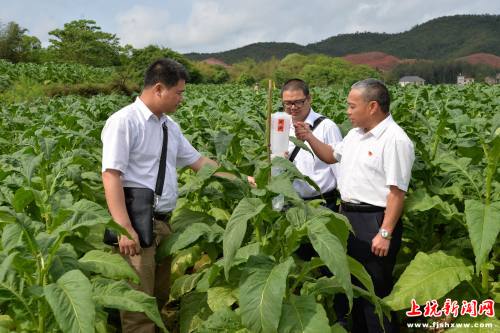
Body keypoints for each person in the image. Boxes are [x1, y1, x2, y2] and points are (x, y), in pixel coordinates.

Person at [101, 58, 223, 332]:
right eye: (179, 93)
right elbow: (111, 175)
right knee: (138, 309)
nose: (182, 99)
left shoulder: (169, 126)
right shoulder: (124, 121)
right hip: (136, 224)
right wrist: (123, 227)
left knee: (158, 298)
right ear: (159, 88)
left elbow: (198, 162)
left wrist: (241, 178)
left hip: (163, 223)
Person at [295, 78, 415, 333]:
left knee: (375, 293)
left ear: (372, 106)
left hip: (375, 221)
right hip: (348, 217)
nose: (347, 112)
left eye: (351, 106)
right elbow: (330, 156)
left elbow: (396, 193)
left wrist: (385, 233)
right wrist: (307, 137)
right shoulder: (355, 135)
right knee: (353, 287)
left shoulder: (394, 139)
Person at [281, 78, 343, 211]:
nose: (293, 107)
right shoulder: (280, 127)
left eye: (298, 102)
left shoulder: (327, 127)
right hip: (290, 204)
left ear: (309, 98)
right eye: (287, 103)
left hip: (322, 203)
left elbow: (339, 168)